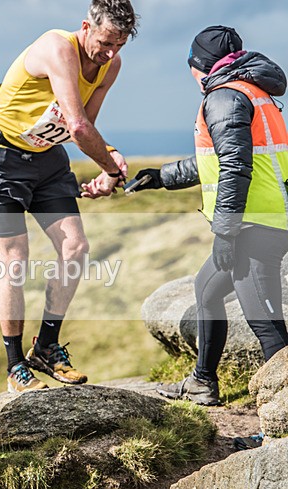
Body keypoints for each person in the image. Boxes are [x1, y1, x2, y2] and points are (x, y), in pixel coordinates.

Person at [0, 0, 138, 393]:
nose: (111, 53)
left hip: (46, 157)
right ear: (86, 26)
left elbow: (87, 124)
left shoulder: (110, 65)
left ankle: (45, 347)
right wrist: (111, 168)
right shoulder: (57, 47)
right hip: (1, 157)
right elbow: (78, 128)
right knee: (15, 260)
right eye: (105, 42)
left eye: (121, 44)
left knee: (76, 248)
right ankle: (15, 366)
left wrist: (107, 158)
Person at [126, 27, 288, 433]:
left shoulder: (223, 97)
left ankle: (280, 428)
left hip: (255, 227)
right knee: (207, 290)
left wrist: (226, 230)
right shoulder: (253, 92)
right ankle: (201, 382)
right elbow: (216, 160)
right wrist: (161, 177)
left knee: (265, 325)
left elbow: (234, 167)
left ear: (198, 67)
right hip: (262, 220)